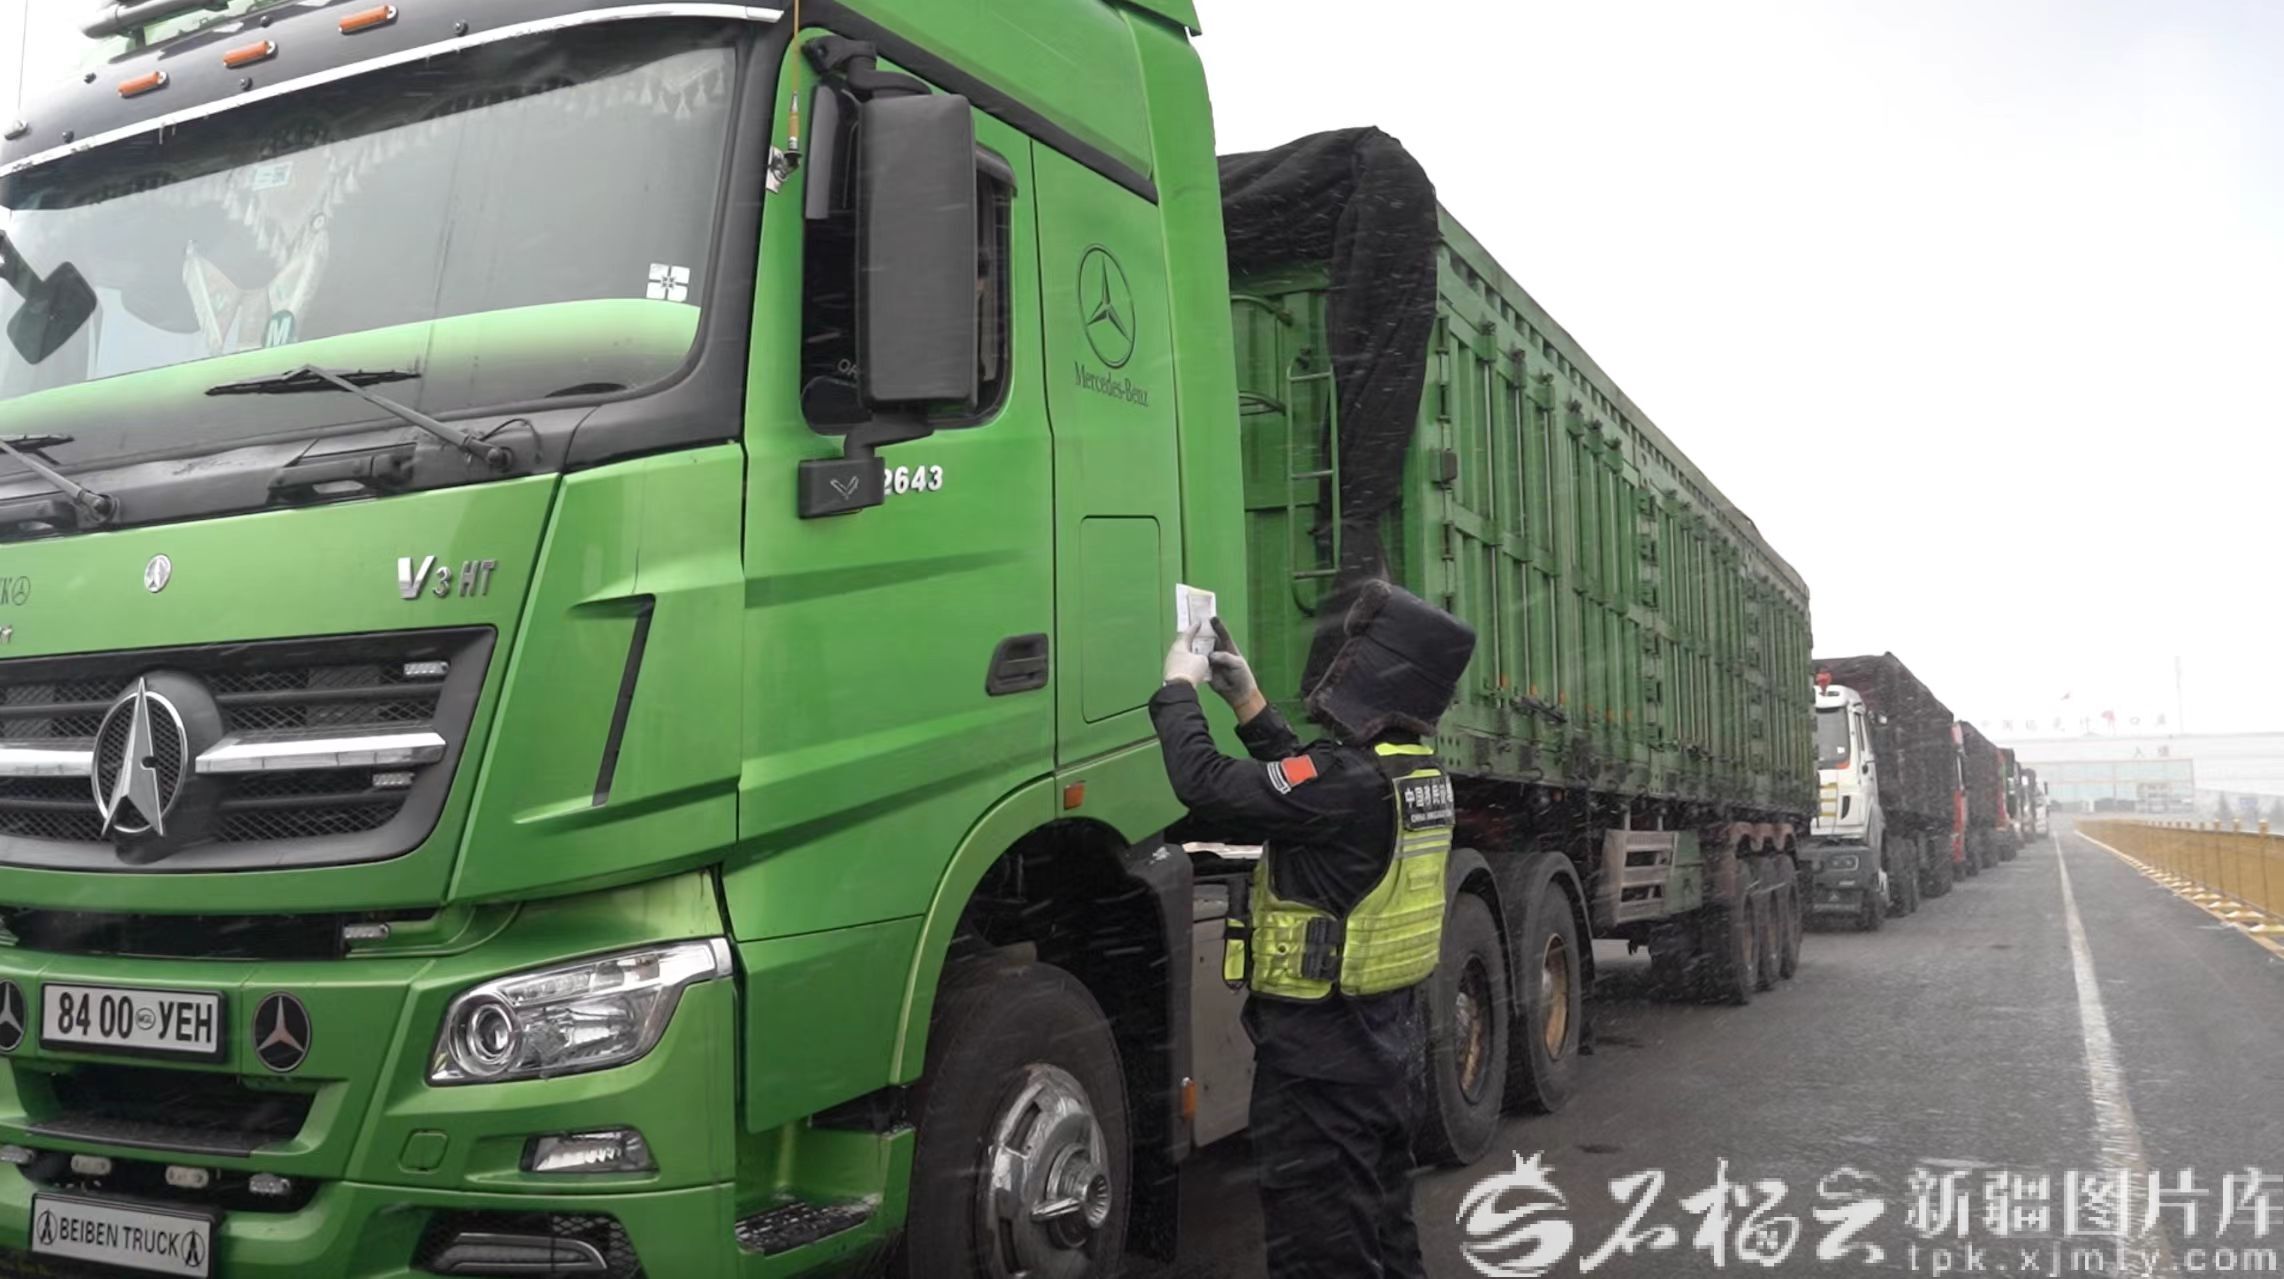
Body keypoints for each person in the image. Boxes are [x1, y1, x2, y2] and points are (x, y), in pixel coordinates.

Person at [1149, 580, 1476, 1279]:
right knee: (1385, 1235)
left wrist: (1178, 688)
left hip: (1321, 1068)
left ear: (1367, 672)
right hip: (1384, 1052)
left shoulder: (1348, 784)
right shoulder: (1415, 775)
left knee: (1321, 1255)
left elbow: (1205, 784)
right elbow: (1305, 784)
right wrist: (1249, 703)